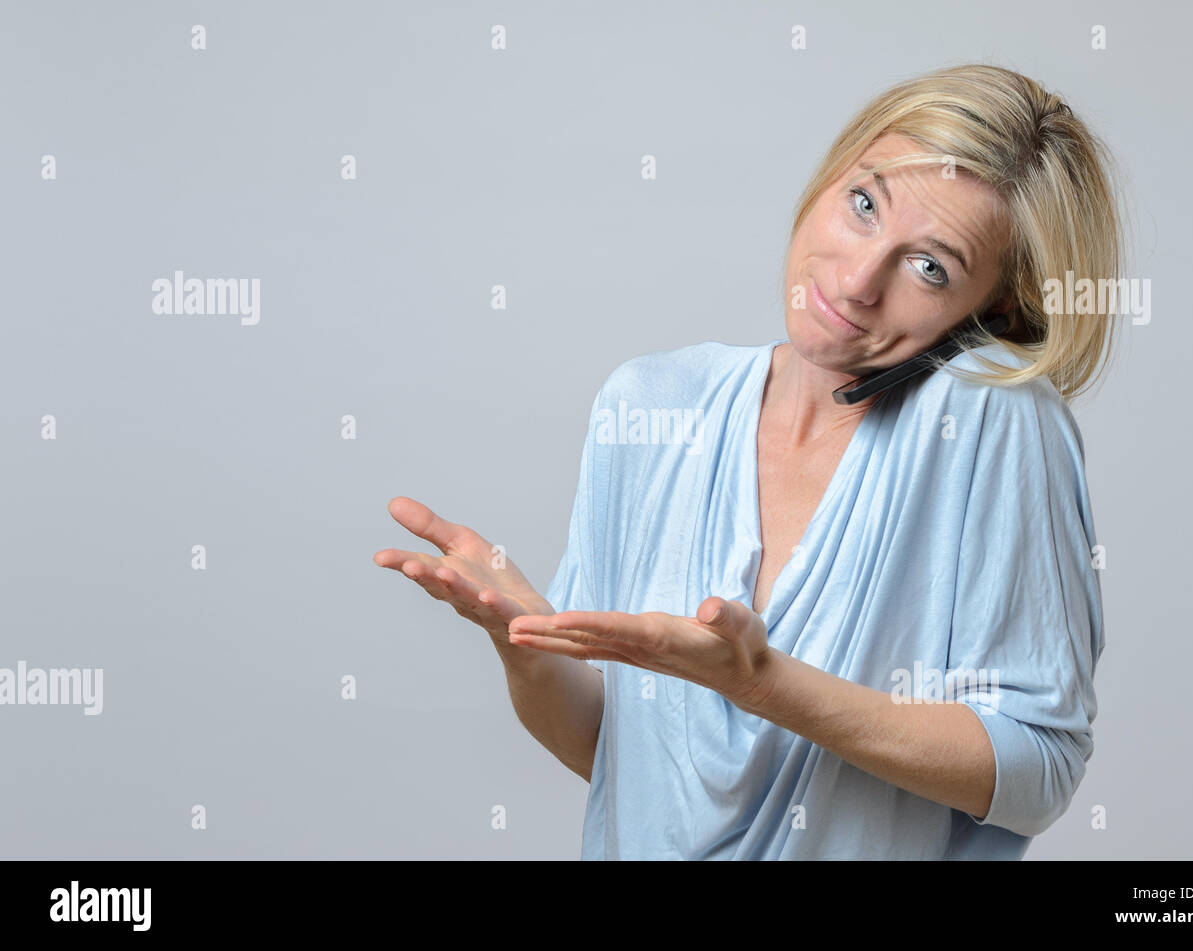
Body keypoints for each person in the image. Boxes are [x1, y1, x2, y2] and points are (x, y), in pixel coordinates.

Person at [375, 62, 1127, 859]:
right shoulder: (652, 402)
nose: (858, 277)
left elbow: (1039, 770)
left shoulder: (993, 418)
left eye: (930, 266)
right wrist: (523, 642)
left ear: (994, 308)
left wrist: (762, 684)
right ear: (834, 171)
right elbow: (616, 757)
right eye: (864, 203)